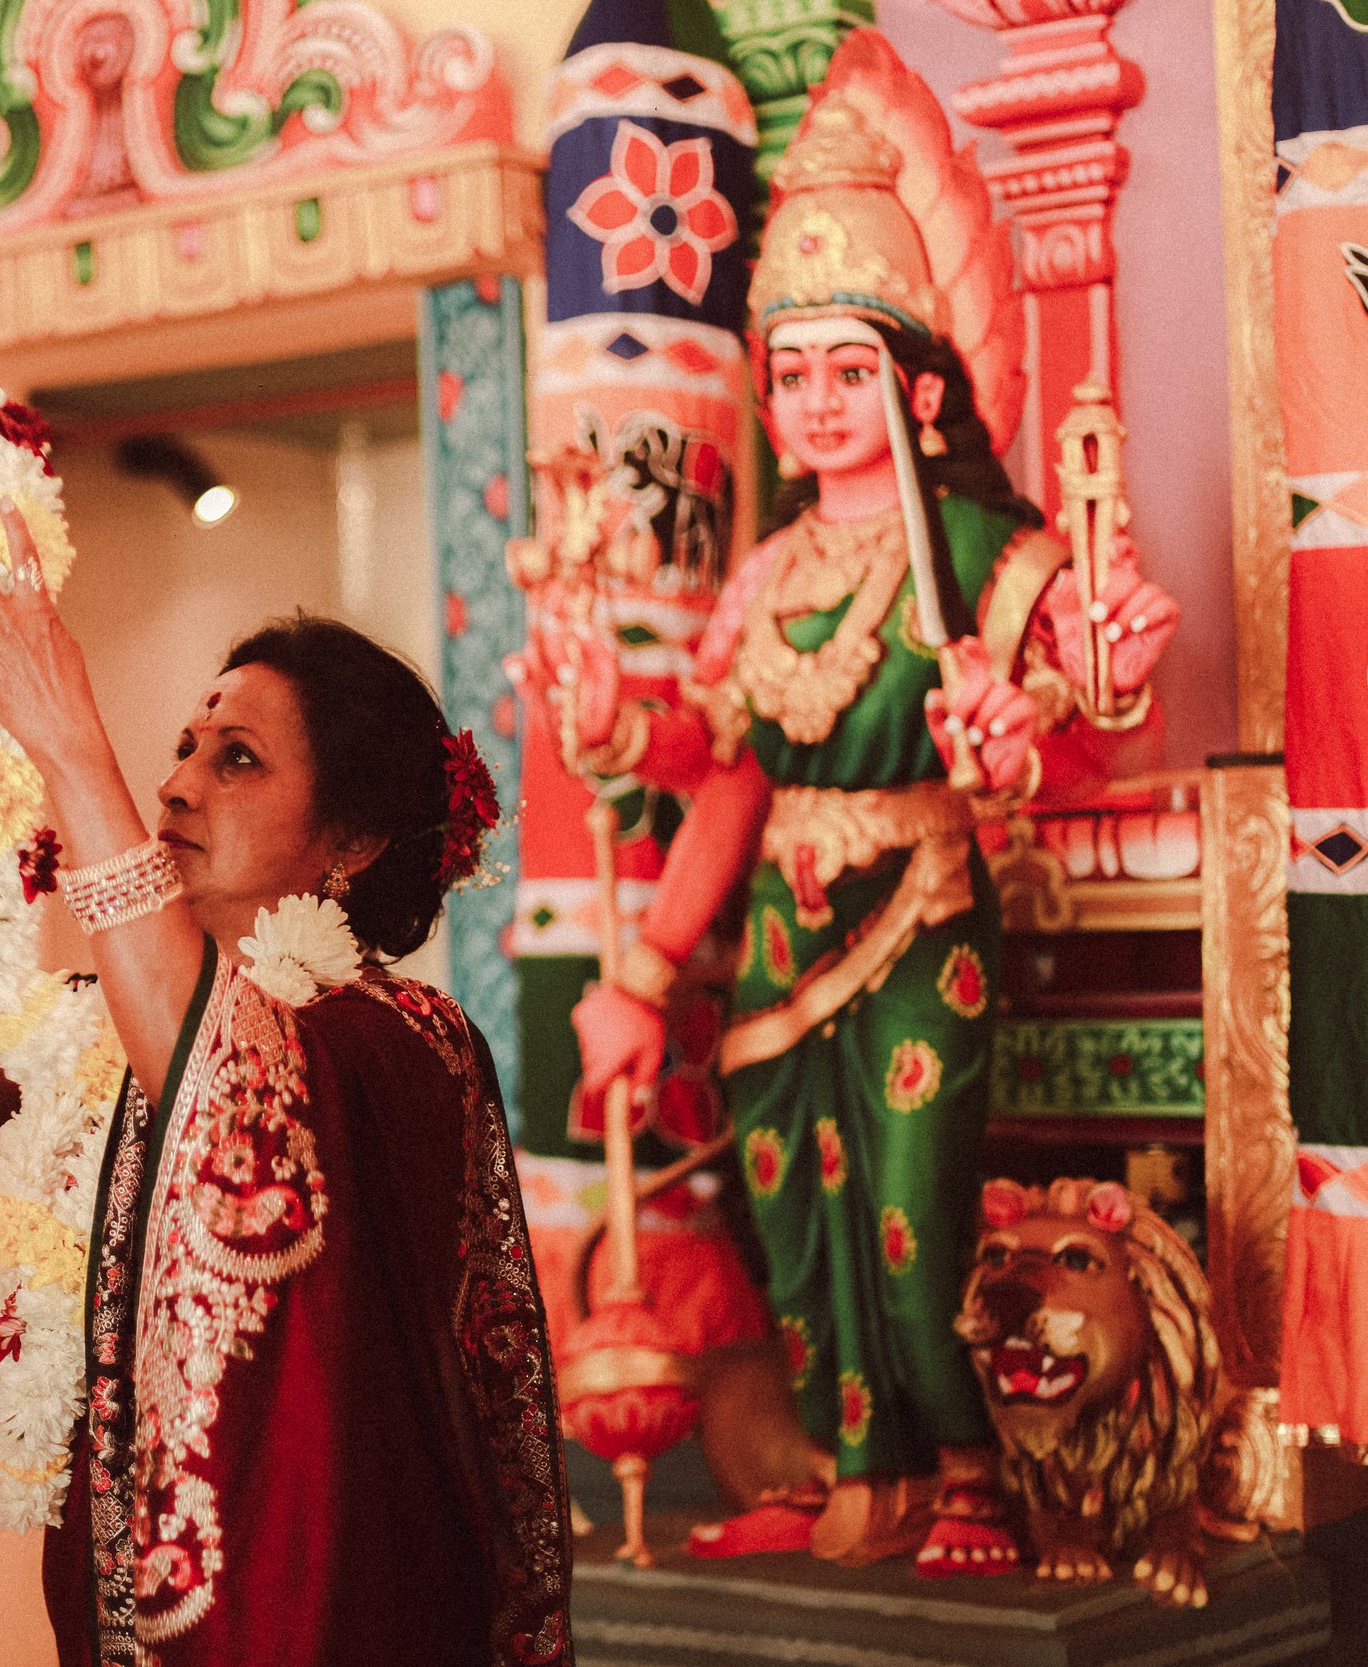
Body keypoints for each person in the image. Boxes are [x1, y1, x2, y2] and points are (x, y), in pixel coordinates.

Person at [538, 32, 1178, 1575]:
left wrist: (1062, 707)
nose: (820, 404)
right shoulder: (763, 576)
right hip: (774, 938)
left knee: (908, 1215)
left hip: (921, 916)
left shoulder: (984, 549)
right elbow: (727, 781)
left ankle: (968, 1469)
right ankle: (849, 1462)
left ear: (922, 380)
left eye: (852, 372)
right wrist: (633, 951)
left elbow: (1079, 746)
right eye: (795, 375)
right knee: (787, 1217)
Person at [0, 527, 573, 1666]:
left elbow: (232, 1081)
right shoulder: (101, 1031)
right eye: (186, 744)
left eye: (235, 758)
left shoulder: (399, 1044)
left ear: (349, 840)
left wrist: (65, 740)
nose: (175, 779)